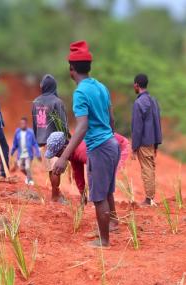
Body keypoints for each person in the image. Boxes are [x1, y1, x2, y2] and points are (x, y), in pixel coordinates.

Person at [53, 40, 120, 248]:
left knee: (99, 196)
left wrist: (64, 157)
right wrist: (109, 136)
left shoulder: (80, 92)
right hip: (111, 143)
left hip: (99, 147)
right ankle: (112, 224)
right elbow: (111, 119)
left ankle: (104, 241)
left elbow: (82, 127)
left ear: (71, 69)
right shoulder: (101, 86)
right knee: (107, 190)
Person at [45, 131, 130, 198]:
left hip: (120, 146)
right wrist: (82, 194)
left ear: (64, 148)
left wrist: (94, 195)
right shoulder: (72, 153)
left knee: (106, 176)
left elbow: (96, 168)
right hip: (106, 151)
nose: (59, 158)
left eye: (58, 154)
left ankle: (106, 203)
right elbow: (78, 173)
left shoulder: (81, 149)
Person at [32, 74, 69, 201]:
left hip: (42, 139)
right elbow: (63, 124)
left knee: (51, 168)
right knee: (55, 169)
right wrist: (66, 140)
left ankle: (56, 193)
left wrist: (37, 138)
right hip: (55, 140)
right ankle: (55, 195)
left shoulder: (36, 102)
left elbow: (35, 122)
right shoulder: (57, 102)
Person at [131, 73, 162, 206]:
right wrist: (156, 144)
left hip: (143, 142)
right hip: (152, 140)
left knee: (147, 170)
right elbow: (157, 122)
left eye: (134, 84)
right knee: (150, 168)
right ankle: (150, 198)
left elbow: (137, 128)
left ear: (137, 85)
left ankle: (149, 199)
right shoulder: (153, 100)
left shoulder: (138, 103)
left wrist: (134, 147)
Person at [10, 117, 41, 185]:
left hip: (28, 154)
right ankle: (28, 176)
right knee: (21, 168)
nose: (22, 125)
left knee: (27, 167)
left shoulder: (30, 132)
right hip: (20, 154)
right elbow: (15, 143)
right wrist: (12, 151)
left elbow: (35, 143)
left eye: (24, 123)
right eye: (21, 123)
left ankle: (30, 180)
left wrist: (38, 153)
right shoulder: (17, 132)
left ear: (26, 124)